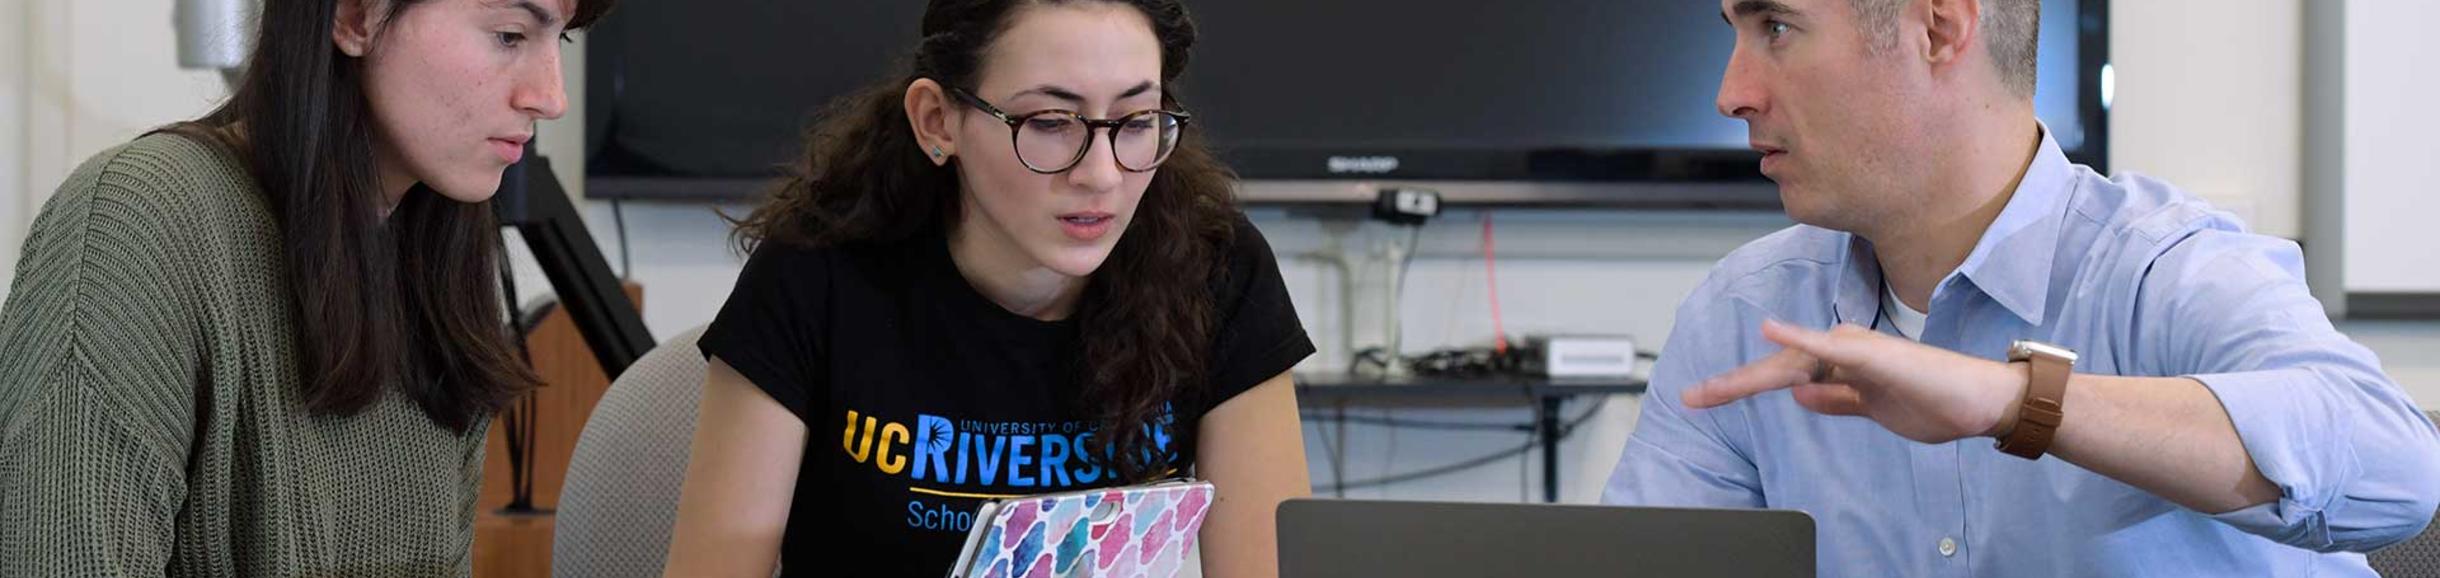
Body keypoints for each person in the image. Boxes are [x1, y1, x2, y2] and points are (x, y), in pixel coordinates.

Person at [1603, 0, 2440, 575]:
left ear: (1938, 28)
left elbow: (2397, 470)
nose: (1732, 94)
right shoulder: (1742, 315)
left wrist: (2015, 402)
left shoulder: (2163, 266)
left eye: (1777, 28)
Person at [658, 1, 1315, 576]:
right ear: (938, 122)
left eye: (1137, 120)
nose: (1102, 175)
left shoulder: (1216, 269)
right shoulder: (814, 274)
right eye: (1051, 122)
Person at [0, 0, 612, 574]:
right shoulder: (139, 221)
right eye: (509, 35)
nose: (551, 98)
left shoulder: (435, 265)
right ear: (354, 16)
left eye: (558, 39)